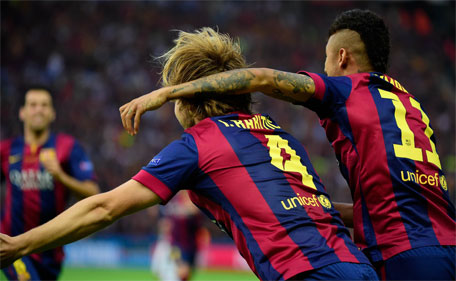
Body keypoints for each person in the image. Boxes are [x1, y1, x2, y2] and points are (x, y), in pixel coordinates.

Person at [0, 28, 378, 281]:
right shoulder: (279, 135)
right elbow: (318, 207)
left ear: (186, 97)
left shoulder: (200, 143)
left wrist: (19, 244)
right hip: (359, 267)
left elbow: (105, 208)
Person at [118, 10, 455, 281]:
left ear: (341, 58)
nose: (322, 68)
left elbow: (261, 79)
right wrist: (305, 205)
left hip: (401, 253)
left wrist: (170, 91)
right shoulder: (412, 107)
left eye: (325, 59)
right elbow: (386, 204)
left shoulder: (347, 90)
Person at [0, 87, 100, 280]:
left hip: (51, 250)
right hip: (14, 245)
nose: (39, 110)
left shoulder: (67, 147)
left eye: (44, 105)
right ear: (22, 112)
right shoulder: (7, 150)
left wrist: (61, 176)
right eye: (33, 105)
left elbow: (93, 193)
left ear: (52, 113)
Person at [151, 191, 204, 281]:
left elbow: (194, 211)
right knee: (180, 272)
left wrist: (181, 210)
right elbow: (164, 223)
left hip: (191, 246)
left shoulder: (194, 199)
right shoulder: (173, 201)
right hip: (175, 245)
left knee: (186, 275)